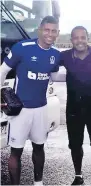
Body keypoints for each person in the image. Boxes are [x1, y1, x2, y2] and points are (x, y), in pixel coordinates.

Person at [0, 16, 61, 185]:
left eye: (54, 31)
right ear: (40, 30)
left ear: (58, 33)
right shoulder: (22, 47)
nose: (50, 34)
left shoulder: (55, 54)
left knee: (39, 147)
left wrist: (81, 75)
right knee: (16, 151)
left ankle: (38, 183)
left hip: (41, 108)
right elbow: (3, 71)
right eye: (47, 30)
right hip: (20, 110)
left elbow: (55, 76)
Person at [59, 26, 91, 185]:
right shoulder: (64, 56)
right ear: (71, 40)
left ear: (88, 38)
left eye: (82, 37)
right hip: (74, 108)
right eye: (76, 38)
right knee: (75, 145)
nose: (79, 41)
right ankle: (78, 175)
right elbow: (47, 62)